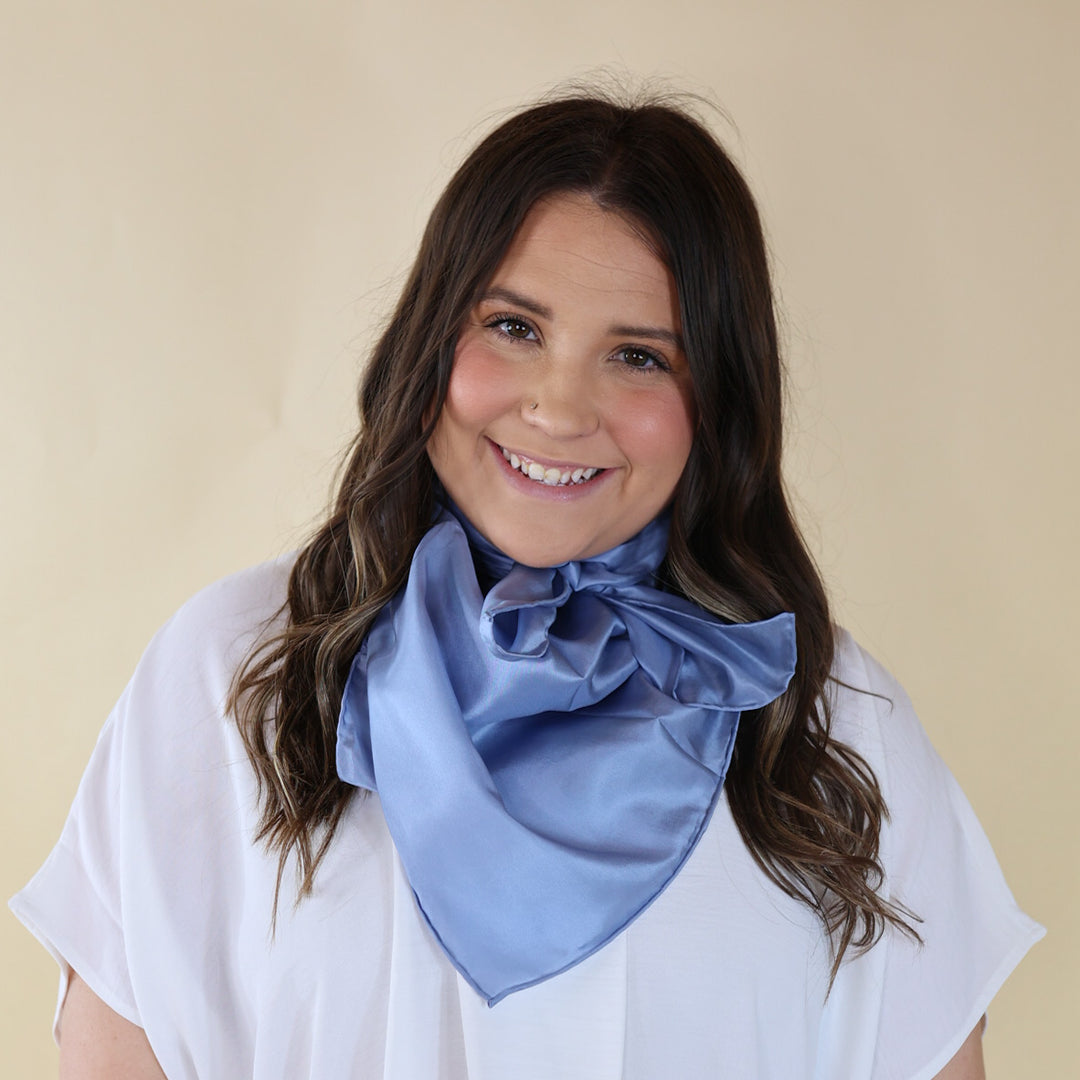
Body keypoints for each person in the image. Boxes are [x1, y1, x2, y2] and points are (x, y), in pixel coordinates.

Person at [11, 91, 1042, 1079]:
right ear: (432, 339)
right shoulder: (234, 670)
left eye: (638, 355)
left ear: (716, 403)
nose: (559, 406)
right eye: (514, 328)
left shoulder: (826, 723)